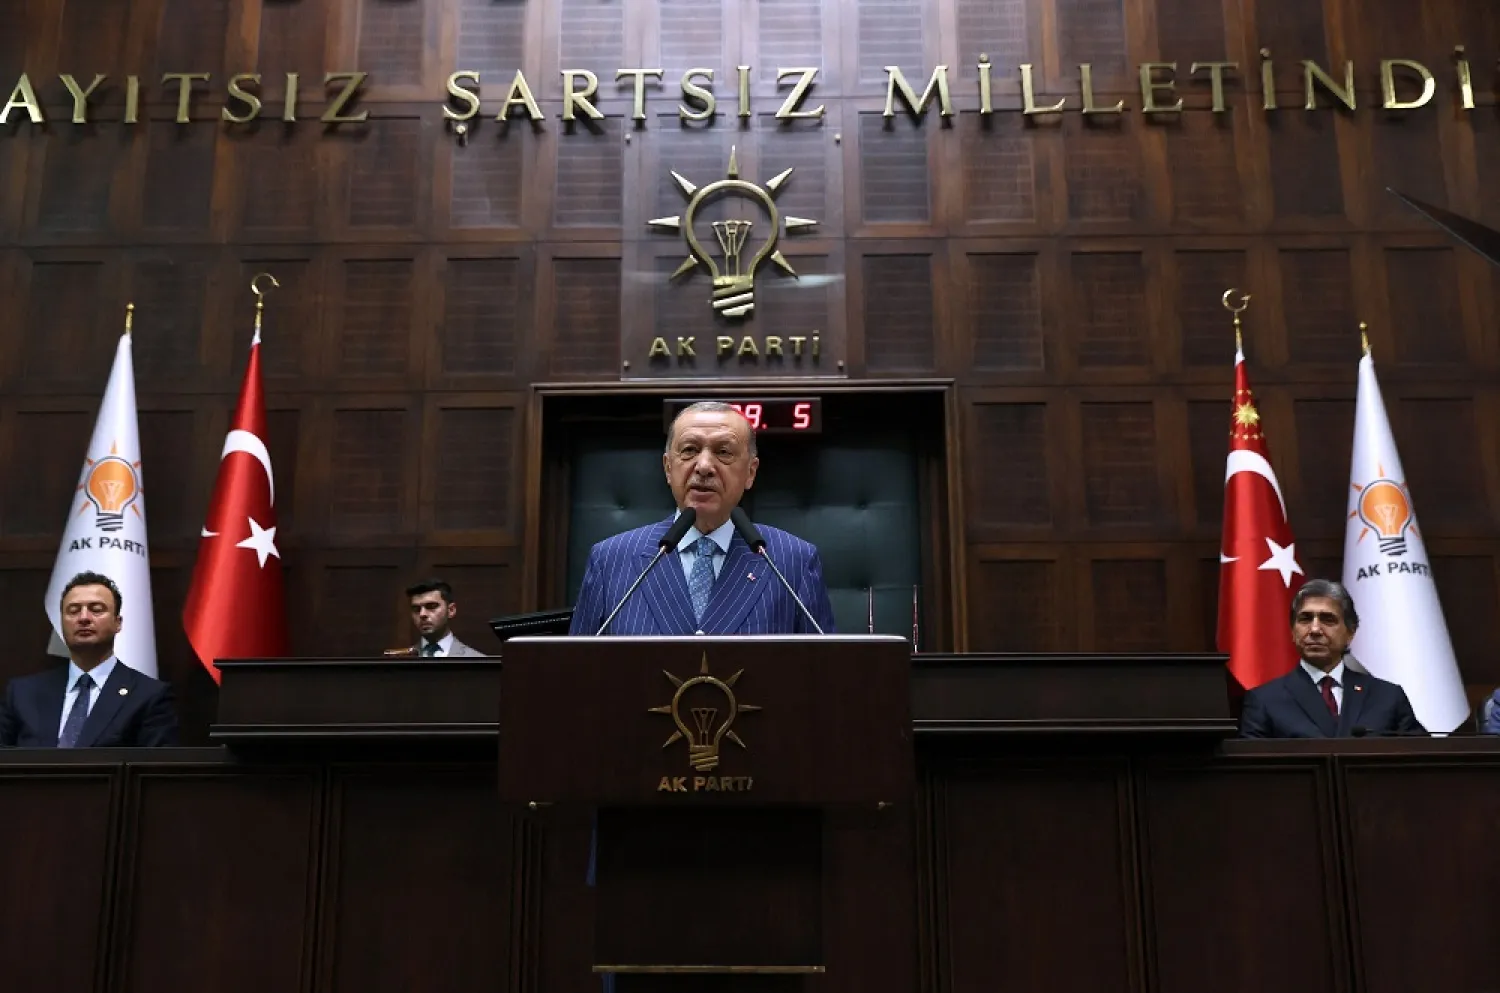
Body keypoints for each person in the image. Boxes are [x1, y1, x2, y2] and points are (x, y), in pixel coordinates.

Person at [569, 401, 836, 636]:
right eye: (689, 450)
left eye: (723, 452)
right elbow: (577, 675)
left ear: (750, 472)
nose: (705, 466)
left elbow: (824, 676)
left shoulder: (793, 562)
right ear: (668, 468)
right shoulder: (611, 561)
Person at [0, 571, 179, 747]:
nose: (84, 618)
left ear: (118, 623)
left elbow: (156, 770)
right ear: (62, 623)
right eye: (73, 611)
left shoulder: (149, 696)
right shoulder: (22, 694)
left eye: (96, 610)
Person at [1239, 579, 1424, 738]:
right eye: (1305, 619)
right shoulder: (1264, 700)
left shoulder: (1388, 697)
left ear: (1350, 632)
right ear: (1293, 632)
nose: (1315, 630)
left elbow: (1422, 758)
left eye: (1328, 619)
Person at [406, 579, 485, 657]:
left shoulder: (477, 661)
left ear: (451, 610)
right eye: (416, 609)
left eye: (431, 606)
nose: (422, 614)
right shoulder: (401, 659)